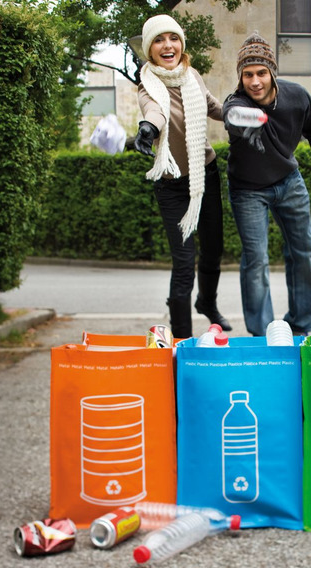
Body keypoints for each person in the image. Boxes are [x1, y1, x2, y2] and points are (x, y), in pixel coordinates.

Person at [223, 31, 311, 337]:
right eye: (247, 75)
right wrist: (240, 122)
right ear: (241, 77)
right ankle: (262, 336)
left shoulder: (296, 97)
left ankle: (299, 326)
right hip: (247, 190)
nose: (255, 81)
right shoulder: (237, 102)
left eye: (261, 73)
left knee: (302, 251)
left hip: (289, 181)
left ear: (272, 73)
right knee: (256, 260)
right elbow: (230, 114)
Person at [134, 14, 231, 337]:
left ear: (181, 44)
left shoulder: (193, 77)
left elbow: (213, 106)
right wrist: (147, 129)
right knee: (184, 262)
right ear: (150, 50)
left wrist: (241, 112)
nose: (167, 45)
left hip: (206, 173)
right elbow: (155, 112)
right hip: (172, 185)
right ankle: (180, 339)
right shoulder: (147, 84)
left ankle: (207, 302)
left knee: (213, 250)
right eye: (159, 40)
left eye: (172, 38)